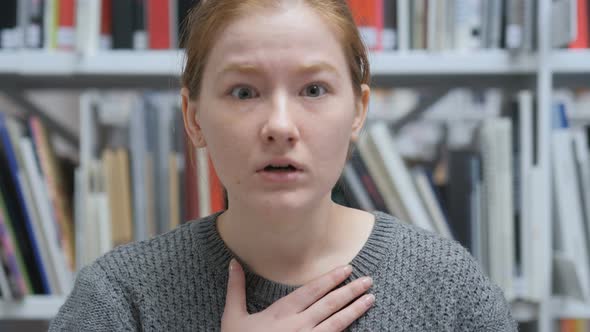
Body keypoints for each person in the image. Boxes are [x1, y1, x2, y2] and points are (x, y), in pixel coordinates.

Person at [49, 0, 517, 331]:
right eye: (244, 92)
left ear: (358, 111)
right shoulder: (117, 300)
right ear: (194, 118)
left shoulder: (449, 288)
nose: (279, 125)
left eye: (313, 90)